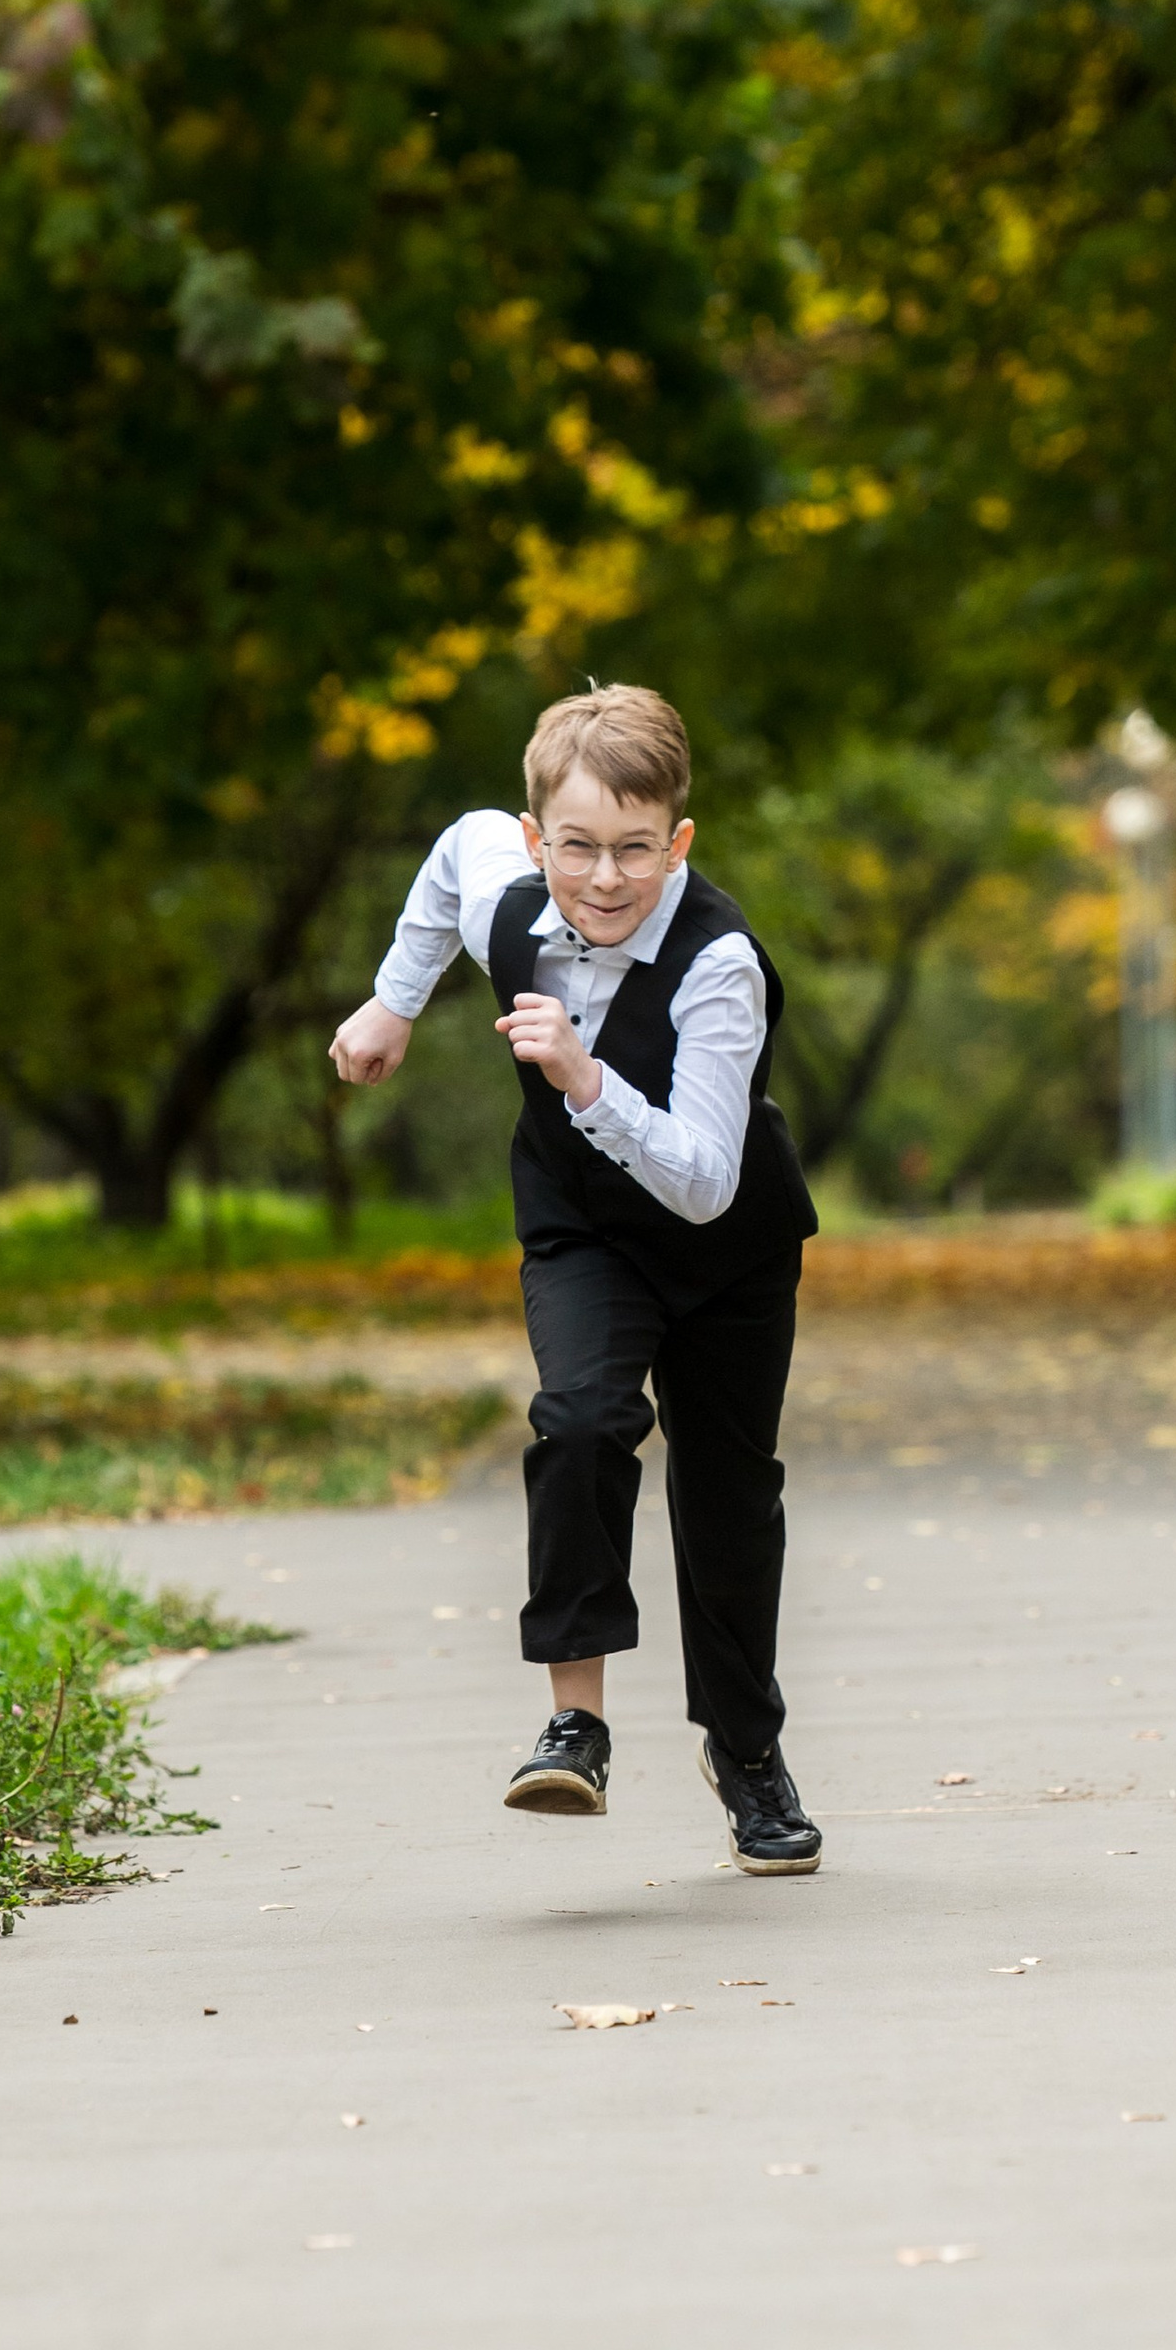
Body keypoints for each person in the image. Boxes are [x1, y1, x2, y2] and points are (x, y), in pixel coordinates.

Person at [328, 685, 824, 1875]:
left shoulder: (718, 966)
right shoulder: (512, 891)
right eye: (579, 848)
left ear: (679, 842)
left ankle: (746, 1752)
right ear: (540, 834)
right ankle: (576, 1721)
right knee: (584, 1418)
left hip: (725, 1245)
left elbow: (704, 1178)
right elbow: (454, 853)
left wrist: (585, 1078)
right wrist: (393, 1002)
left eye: (635, 850)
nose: (604, 878)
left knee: (726, 1498)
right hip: (582, 1228)